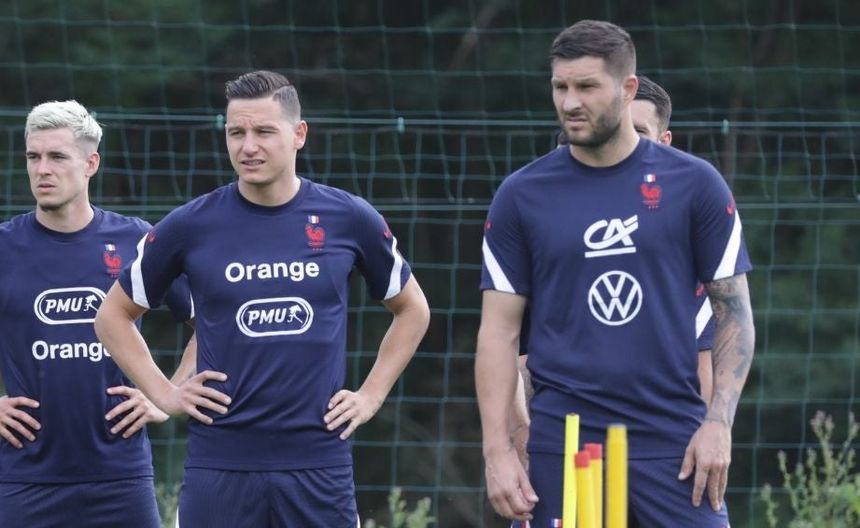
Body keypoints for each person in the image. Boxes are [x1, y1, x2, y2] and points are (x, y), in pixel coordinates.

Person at [95, 70, 431, 527]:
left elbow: (412, 309)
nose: (248, 146)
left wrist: (370, 396)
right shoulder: (190, 225)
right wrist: (166, 394)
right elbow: (112, 316)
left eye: (264, 132)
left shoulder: (348, 217)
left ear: (299, 134)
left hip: (319, 465)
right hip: (220, 466)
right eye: (236, 133)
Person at [476, 20, 754, 527]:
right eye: (560, 87)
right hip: (566, 442)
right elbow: (498, 331)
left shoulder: (695, 184)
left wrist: (719, 422)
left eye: (587, 86)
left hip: (674, 441)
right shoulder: (521, 195)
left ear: (627, 89)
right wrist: (498, 450)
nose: (570, 102)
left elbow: (733, 313)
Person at [0, 100, 195, 527]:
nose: (42, 169)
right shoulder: (5, 246)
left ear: (90, 164)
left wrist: (166, 397)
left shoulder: (136, 240)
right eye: (33, 156)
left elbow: (214, 323)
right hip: (24, 481)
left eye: (57, 157)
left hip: (121, 479)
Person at [517, 75, 716, 421]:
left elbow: (702, 366)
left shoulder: (681, 242)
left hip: (658, 433)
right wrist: (523, 434)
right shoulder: (542, 235)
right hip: (567, 433)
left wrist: (703, 431)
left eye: (637, 132)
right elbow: (512, 355)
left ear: (665, 143)